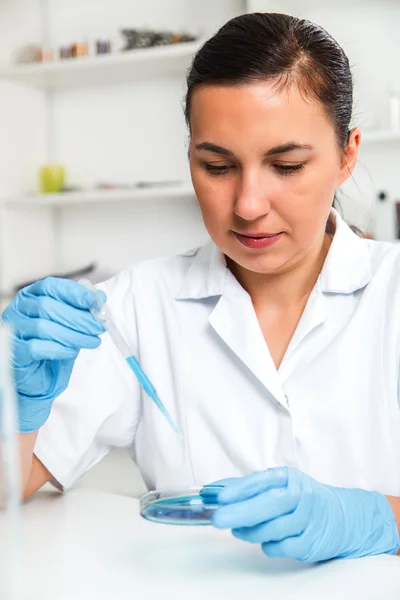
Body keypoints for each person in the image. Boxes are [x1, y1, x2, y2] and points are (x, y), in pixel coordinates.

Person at [3, 12, 400, 563]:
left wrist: (379, 520)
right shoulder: (138, 307)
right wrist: (15, 404)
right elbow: (10, 488)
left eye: (286, 165)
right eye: (217, 166)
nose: (248, 205)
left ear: (347, 155)